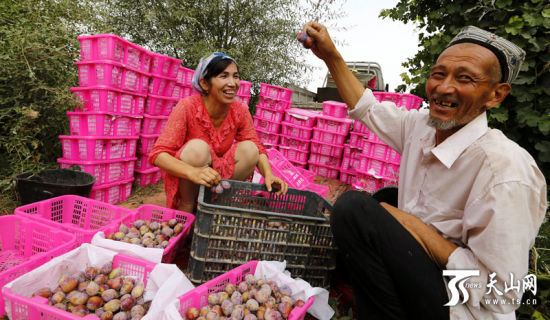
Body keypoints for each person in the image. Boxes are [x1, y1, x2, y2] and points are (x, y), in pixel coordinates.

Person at [302, 23, 547, 319]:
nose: (444, 88)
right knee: (382, 204)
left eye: (465, 79)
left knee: (356, 209)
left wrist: (414, 227)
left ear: (495, 95)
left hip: (462, 309)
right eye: (438, 74)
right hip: (419, 275)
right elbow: (368, 108)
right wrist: (331, 56)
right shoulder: (421, 128)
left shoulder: (505, 171)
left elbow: (502, 296)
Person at [148, 52, 288, 212]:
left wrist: (268, 174)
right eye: (224, 76)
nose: (232, 83)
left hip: (218, 175)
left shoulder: (239, 110)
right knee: (197, 149)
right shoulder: (188, 107)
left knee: (250, 149)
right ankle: (186, 207)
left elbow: (257, 147)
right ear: (205, 83)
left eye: (235, 76)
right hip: (189, 179)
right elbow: (158, 155)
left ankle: (218, 203)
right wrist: (192, 172)